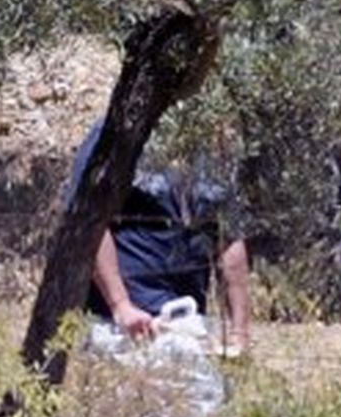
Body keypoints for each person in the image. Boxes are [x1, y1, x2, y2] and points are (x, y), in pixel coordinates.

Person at [69, 122, 252, 357]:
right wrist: (121, 305)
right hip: (122, 329)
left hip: (188, 324)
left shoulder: (208, 142)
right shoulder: (115, 135)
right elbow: (89, 220)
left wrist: (239, 332)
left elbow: (230, 238)